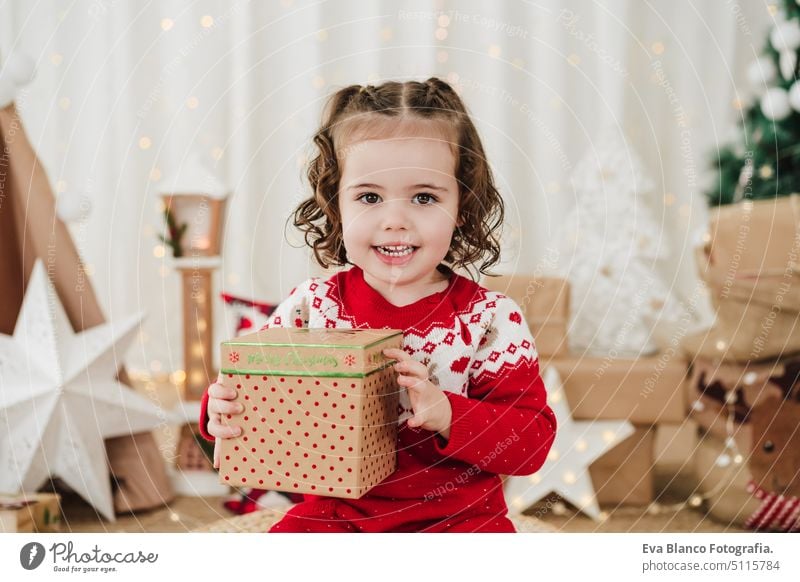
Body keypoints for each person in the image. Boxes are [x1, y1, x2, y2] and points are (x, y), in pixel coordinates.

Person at [199, 77, 557, 532]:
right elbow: (257, 393)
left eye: (424, 197)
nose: (395, 221)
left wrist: (448, 412)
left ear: (462, 207)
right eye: (370, 197)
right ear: (336, 205)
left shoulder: (489, 321)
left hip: (457, 519)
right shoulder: (312, 307)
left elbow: (532, 443)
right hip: (338, 514)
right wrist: (220, 410)